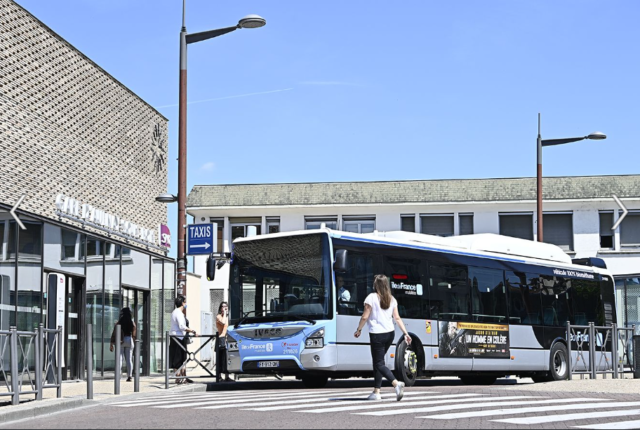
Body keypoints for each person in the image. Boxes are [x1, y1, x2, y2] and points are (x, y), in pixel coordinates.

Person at [354, 274, 411, 401]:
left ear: (376, 285)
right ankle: (376, 391)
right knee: (379, 362)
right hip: (390, 333)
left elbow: (364, 316)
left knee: (379, 363)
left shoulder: (371, 297)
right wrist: (406, 333)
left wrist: (358, 330)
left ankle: (396, 384)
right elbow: (397, 318)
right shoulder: (392, 299)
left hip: (377, 334)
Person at [170, 295, 196, 384]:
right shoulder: (179, 313)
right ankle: (179, 378)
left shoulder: (175, 312)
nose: (186, 304)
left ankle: (181, 377)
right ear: (182, 303)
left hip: (176, 337)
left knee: (179, 358)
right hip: (178, 338)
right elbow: (182, 326)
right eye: (185, 302)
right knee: (179, 358)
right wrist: (192, 330)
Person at [109, 307, 137, 382]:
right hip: (129, 339)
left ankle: (118, 375)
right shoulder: (132, 322)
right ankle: (130, 376)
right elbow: (134, 333)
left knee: (120, 359)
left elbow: (114, 333)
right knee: (129, 359)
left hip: (120, 340)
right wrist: (133, 341)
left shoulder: (119, 322)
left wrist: (111, 343)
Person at [215, 301, 233, 382]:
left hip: (226, 339)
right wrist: (225, 313)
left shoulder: (228, 317)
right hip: (220, 338)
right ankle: (218, 376)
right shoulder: (219, 317)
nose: (224, 308)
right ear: (220, 308)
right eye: (223, 306)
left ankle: (227, 376)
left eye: (226, 306)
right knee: (220, 358)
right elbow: (222, 322)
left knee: (226, 358)